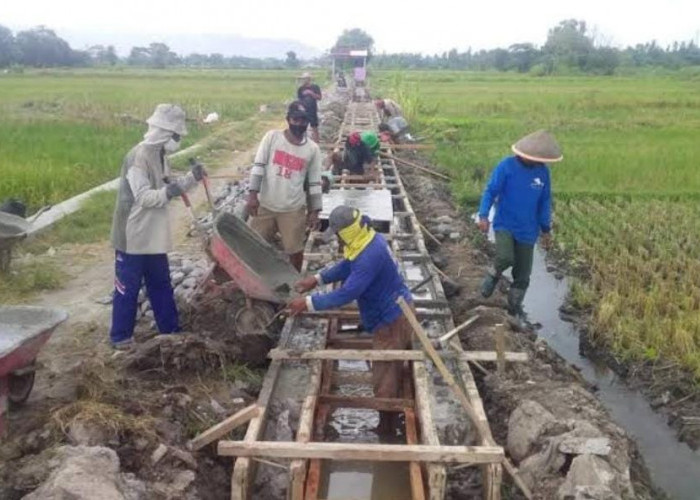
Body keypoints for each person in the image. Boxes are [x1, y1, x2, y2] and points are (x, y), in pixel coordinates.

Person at [288, 205, 413, 433]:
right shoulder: (365, 238)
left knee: (384, 376)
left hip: (392, 318)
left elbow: (347, 293)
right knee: (389, 370)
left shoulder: (369, 256)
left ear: (346, 232)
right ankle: (389, 417)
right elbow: (347, 265)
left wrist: (307, 303)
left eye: (336, 234)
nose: (335, 238)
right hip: (389, 311)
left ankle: (386, 427)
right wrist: (317, 278)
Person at [109, 104, 206, 349]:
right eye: (176, 135)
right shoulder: (138, 157)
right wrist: (169, 191)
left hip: (152, 234)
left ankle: (170, 330)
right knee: (127, 289)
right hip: (132, 234)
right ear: (164, 132)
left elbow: (167, 185)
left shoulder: (160, 154)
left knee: (160, 283)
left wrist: (191, 178)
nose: (178, 140)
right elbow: (144, 197)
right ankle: (120, 337)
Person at [477, 130, 562, 321]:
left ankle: (514, 308)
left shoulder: (542, 172)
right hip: (505, 223)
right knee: (505, 257)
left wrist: (546, 229)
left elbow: (544, 201)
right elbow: (490, 191)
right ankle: (492, 277)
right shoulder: (506, 167)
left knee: (523, 275)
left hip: (528, 230)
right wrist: (483, 215)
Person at [246, 101, 323, 271]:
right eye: (295, 119)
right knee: (253, 245)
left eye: (303, 120)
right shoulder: (272, 137)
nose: (299, 124)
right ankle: (255, 277)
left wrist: (314, 211)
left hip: (293, 209)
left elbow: (314, 183)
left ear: (308, 122)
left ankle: (294, 282)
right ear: (288, 119)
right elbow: (259, 166)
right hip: (265, 204)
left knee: (295, 250)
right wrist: (253, 195)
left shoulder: (312, 149)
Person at [297, 72, 322, 142]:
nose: (304, 80)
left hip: (312, 110)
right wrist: (300, 108)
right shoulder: (300, 89)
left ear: (309, 79)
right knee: (302, 126)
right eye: (303, 79)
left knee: (314, 127)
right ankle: (302, 141)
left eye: (305, 79)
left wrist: (311, 93)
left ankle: (316, 142)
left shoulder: (315, 87)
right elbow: (299, 99)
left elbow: (319, 97)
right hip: (303, 110)